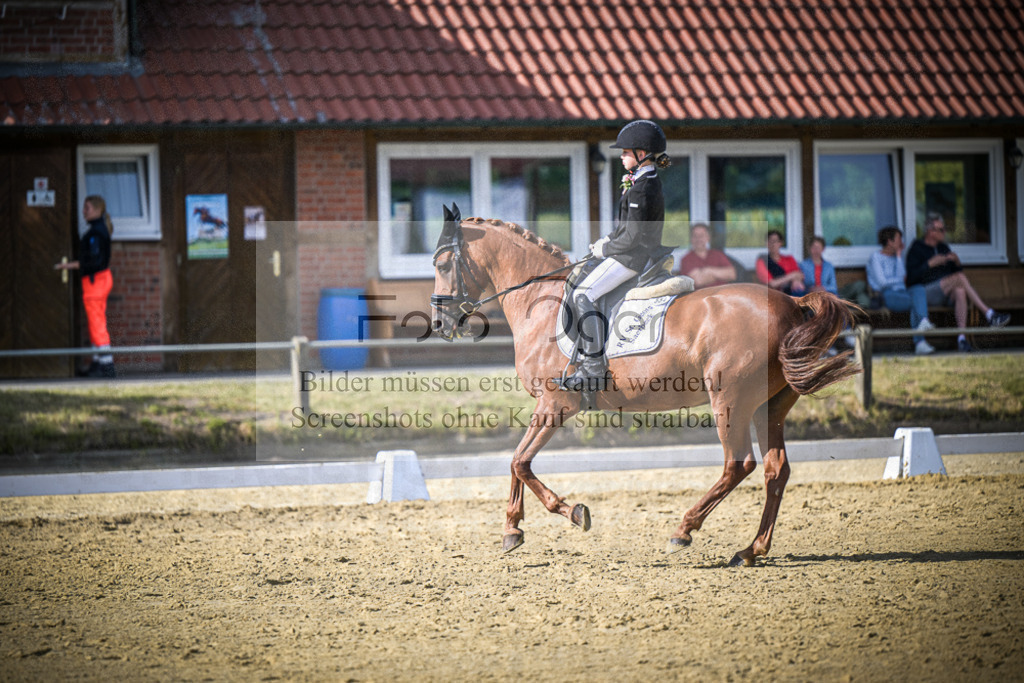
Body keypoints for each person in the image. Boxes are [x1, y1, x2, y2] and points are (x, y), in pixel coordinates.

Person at [561, 120, 670, 392]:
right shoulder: (641, 181)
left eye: (625, 152)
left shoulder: (643, 188)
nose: (621, 156)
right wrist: (606, 240)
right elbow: (625, 228)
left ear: (641, 154)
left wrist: (605, 250)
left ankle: (594, 367)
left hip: (633, 259)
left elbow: (633, 237)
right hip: (629, 252)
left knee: (582, 295)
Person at [906, 213, 1010, 352]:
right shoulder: (917, 248)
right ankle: (989, 314)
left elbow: (956, 271)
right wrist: (929, 264)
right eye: (941, 229)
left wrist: (957, 261)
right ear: (930, 232)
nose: (945, 232)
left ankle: (962, 339)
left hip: (945, 292)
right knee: (959, 278)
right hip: (925, 294)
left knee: (960, 291)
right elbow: (912, 278)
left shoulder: (943, 247)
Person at [55, 195, 116, 378]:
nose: (84, 211)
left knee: (97, 324)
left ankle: (106, 367)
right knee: (95, 323)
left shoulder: (96, 233)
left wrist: (70, 265)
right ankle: (97, 363)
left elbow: (94, 261)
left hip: (95, 281)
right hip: (97, 280)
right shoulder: (98, 230)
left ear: (97, 210)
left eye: (87, 208)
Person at [867, 226, 936, 355]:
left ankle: (923, 325)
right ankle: (920, 338)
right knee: (916, 302)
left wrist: (899, 256)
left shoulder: (896, 257)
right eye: (899, 239)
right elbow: (882, 283)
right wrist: (898, 280)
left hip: (902, 292)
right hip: (886, 295)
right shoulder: (875, 257)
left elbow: (903, 277)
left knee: (919, 289)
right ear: (889, 241)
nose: (901, 242)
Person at [675, 222, 737, 288]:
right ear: (691, 239)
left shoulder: (718, 254)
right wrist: (719, 275)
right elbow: (698, 281)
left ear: (708, 238)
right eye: (695, 236)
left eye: (701, 235)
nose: (698, 239)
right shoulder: (686, 259)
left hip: (722, 295)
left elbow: (732, 274)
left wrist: (709, 270)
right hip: (701, 297)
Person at [755, 230, 805, 296]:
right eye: (770, 241)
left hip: (792, 292)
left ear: (780, 243)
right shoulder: (762, 261)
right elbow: (772, 284)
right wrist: (792, 276)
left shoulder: (789, 259)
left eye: (775, 241)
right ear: (767, 244)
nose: (773, 244)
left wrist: (795, 281)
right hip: (773, 295)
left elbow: (800, 275)